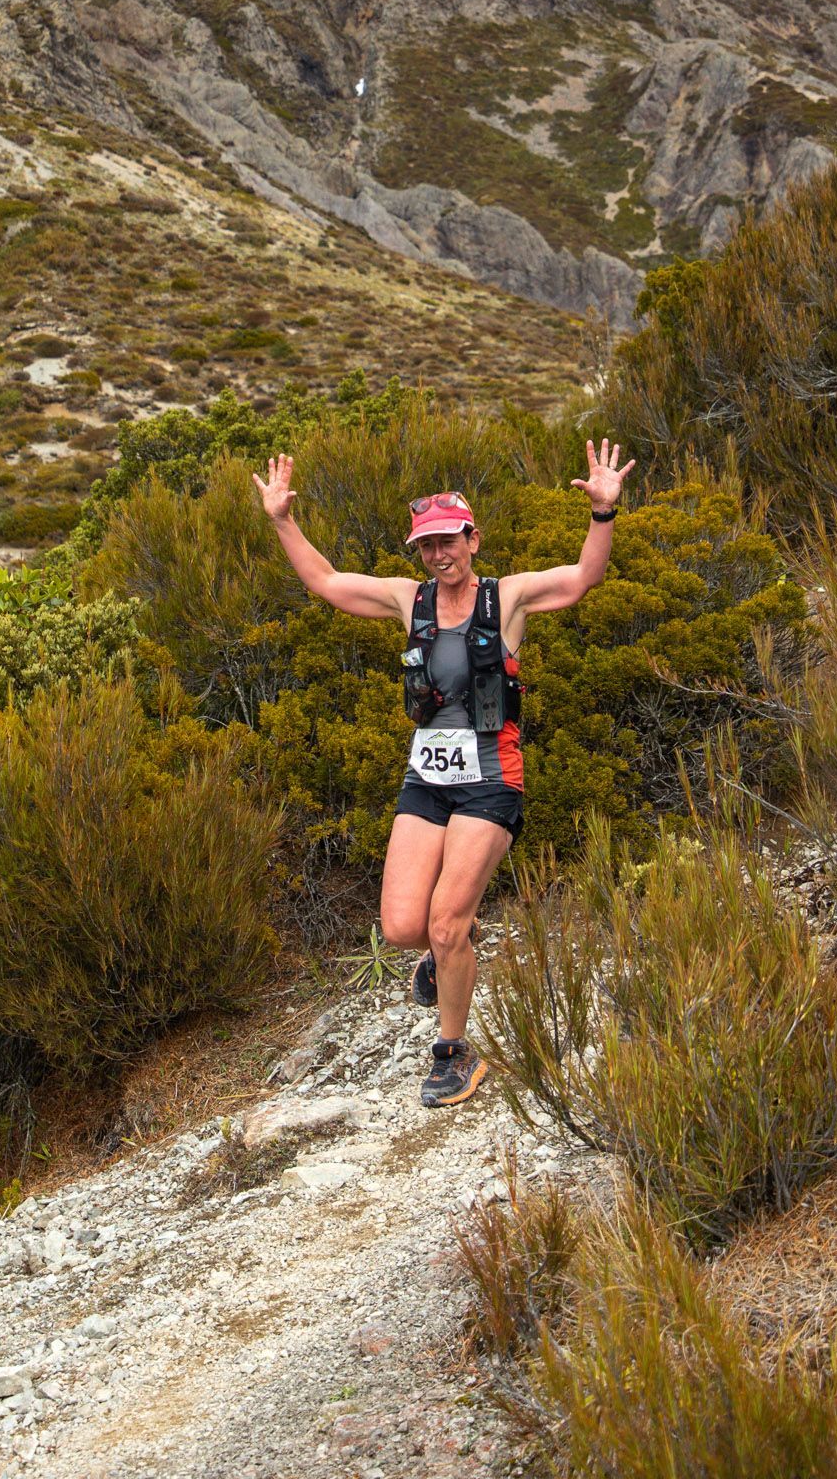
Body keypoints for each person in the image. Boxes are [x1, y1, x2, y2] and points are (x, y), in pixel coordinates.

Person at [252, 439, 635, 1109]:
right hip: (426, 779)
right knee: (404, 928)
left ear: (473, 539)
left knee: (445, 923)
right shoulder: (409, 601)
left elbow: (581, 580)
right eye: (426, 546)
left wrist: (601, 515)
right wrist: (283, 520)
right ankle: (452, 942)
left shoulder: (505, 599)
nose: (439, 556)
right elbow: (327, 583)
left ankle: (453, 1052)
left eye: (449, 541)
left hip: (491, 778)